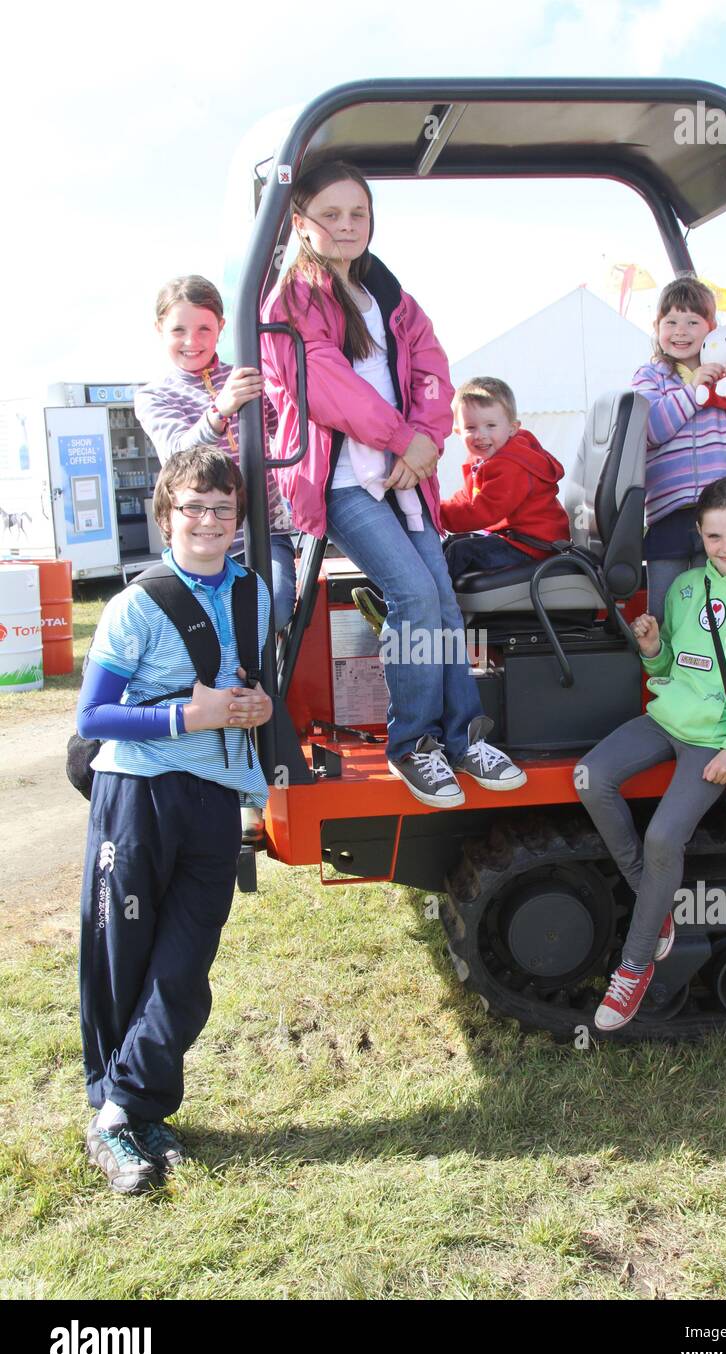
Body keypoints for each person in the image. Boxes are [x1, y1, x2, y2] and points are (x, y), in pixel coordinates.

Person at [260, 160, 526, 807]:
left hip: (406, 478)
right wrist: (399, 436)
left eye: (359, 214)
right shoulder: (291, 301)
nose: (348, 226)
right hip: (345, 481)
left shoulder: (388, 295)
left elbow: (432, 365)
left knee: (440, 604)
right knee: (410, 596)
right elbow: (324, 383)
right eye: (332, 214)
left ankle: (461, 740)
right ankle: (413, 745)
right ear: (300, 223)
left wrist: (429, 438)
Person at [76, 446, 272, 1193]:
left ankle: (135, 1107)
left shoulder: (254, 591)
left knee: (185, 967)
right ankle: (117, 1117)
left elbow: (253, 685)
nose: (208, 520)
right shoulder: (136, 604)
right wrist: (187, 715)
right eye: (193, 506)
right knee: (121, 959)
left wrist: (255, 706)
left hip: (215, 798)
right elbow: (93, 714)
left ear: (237, 522)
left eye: (223, 509)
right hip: (138, 796)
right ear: (167, 515)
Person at [574, 477, 726, 1032]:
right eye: (716, 535)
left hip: (717, 739)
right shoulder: (683, 589)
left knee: (662, 837)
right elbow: (671, 668)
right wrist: (653, 650)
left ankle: (633, 969)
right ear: (698, 534)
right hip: (667, 718)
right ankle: (654, 902)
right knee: (589, 776)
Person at [135, 275, 297, 630]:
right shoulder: (155, 396)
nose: (192, 342)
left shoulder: (247, 377)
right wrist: (219, 411)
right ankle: (218, 681)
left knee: (277, 609)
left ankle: (260, 680)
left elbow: (285, 428)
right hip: (200, 533)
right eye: (179, 330)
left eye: (204, 329)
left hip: (264, 528)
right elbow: (178, 456)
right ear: (159, 328)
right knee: (207, 624)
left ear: (222, 327)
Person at [632, 275, 726, 622]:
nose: (681, 330)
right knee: (665, 611)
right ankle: (663, 670)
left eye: (692, 322)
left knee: (718, 610)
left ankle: (717, 670)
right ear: (657, 327)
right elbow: (652, 430)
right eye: (670, 321)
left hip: (721, 514)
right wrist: (694, 393)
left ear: (712, 329)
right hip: (669, 514)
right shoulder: (651, 376)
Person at [438, 376, 571, 580]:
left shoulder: (511, 464)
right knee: (451, 544)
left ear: (512, 427)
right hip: (514, 539)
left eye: (491, 425)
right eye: (471, 428)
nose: (480, 435)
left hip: (534, 547)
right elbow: (467, 497)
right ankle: (408, 599)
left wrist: (436, 515)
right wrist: (435, 507)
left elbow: (482, 512)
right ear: (458, 431)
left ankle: (429, 609)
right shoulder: (482, 458)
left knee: (460, 553)